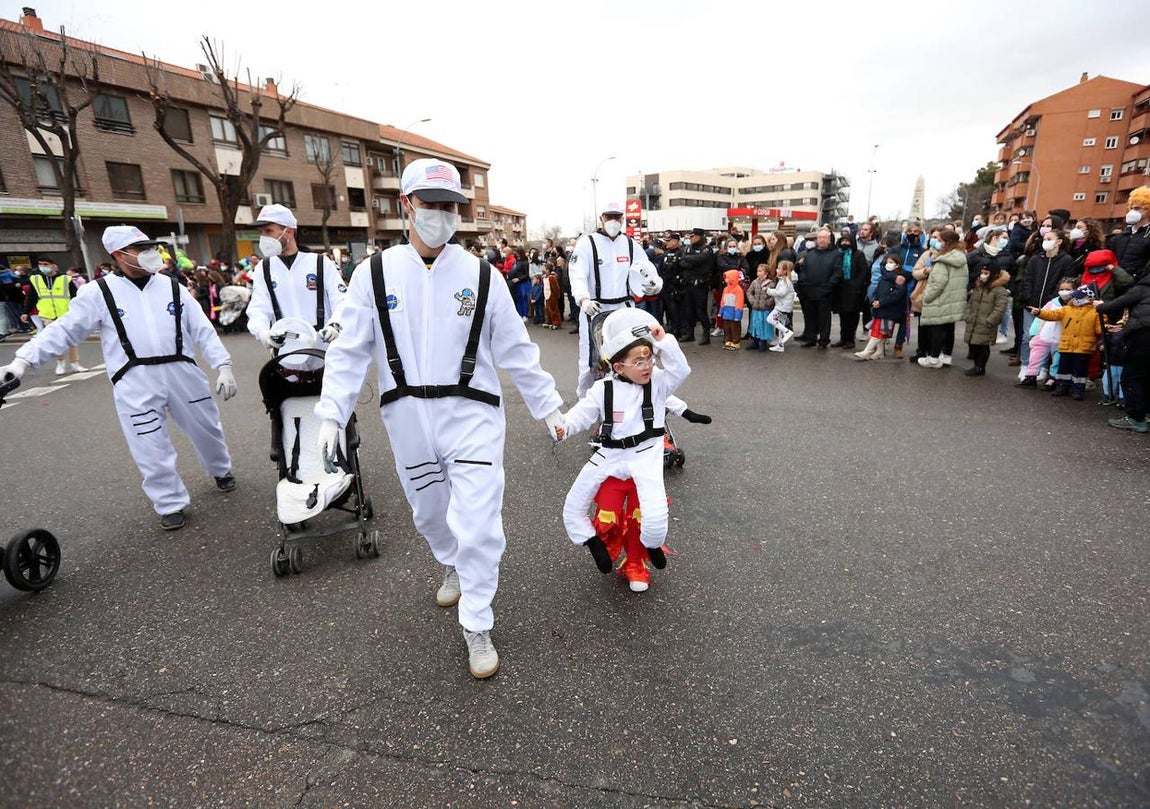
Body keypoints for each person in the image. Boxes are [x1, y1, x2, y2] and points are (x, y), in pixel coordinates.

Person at [312, 158, 565, 679]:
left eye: (451, 206)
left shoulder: (480, 275)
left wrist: (549, 407)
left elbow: (516, 349)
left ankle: (477, 620)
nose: (442, 215)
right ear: (407, 205)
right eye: (432, 204)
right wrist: (331, 414)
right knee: (430, 516)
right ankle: (449, 560)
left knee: (478, 525)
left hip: (472, 413)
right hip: (406, 415)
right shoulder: (373, 274)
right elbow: (349, 351)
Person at [0, 226, 238, 530]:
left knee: (207, 428)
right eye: (140, 248)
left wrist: (224, 364)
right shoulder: (98, 293)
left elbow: (202, 329)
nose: (150, 253)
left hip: (182, 371)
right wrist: (22, 361)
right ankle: (169, 502)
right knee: (148, 443)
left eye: (150, 246)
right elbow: (64, 330)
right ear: (118, 255)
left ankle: (221, 470)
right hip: (134, 378)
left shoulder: (173, 287)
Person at [557, 308, 689, 576]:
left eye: (650, 360)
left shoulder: (659, 383)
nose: (647, 367)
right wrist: (565, 427)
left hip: (647, 454)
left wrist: (664, 342)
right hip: (611, 454)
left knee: (653, 515)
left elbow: (680, 369)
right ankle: (595, 544)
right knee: (574, 505)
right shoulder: (602, 389)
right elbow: (581, 414)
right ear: (618, 367)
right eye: (639, 363)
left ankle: (649, 548)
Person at [568, 202, 662, 396]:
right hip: (596, 309)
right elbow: (577, 275)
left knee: (627, 354)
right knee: (591, 360)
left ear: (622, 218)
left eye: (617, 217)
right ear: (601, 218)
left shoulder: (630, 244)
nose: (613, 221)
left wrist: (655, 284)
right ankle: (586, 399)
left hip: (624, 309)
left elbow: (646, 270)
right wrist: (584, 300)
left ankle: (623, 398)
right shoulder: (587, 243)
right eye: (608, 216)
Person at [247, 204, 348, 353]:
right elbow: (258, 306)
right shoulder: (264, 267)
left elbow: (342, 300)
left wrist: (336, 324)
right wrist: (262, 332)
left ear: (288, 231)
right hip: (286, 351)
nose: (264, 237)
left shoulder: (320, 263)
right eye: (261, 232)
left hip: (323, 348)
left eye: (269, 231)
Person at [1095, 268, 1150, 432]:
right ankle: (1145, 414)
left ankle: (1136, 418)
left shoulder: (1143, 288)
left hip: (1143, 334)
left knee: (1133, 376)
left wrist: (1101, 306)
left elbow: (1116, 304)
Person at [1029, 285, 1101, 400]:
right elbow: (1052, 314)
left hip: (1083, 347)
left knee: (1080, 371)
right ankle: (1061, 386)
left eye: (1080, 297)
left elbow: (1099, 329)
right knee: (1063, 368)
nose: (1076, 299)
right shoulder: (1067, 309)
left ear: (1090, 298)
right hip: (1067, 345)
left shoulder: (1095, 312)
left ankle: (1077, 389)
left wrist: (1106, 325)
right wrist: (1040, 313)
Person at [1018, 227, 1074, 373]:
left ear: (1059, 242)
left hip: (1052, 307)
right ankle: (1026, 366)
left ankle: (1043, 368)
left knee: (1048, 339)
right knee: (1028, 336)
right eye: (1045, 239)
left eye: (1049, 239)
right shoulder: (1036, 259)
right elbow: (1028, 279)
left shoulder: (1066, 260)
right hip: (1032, 304)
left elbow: (1065, 282)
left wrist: (1052, 301)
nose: (1046, 242)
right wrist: (1028, 297)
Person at [22, 257, 87, 375]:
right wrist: (26, 312)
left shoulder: (65, 279)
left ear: (53, 266)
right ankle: (60, 363)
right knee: (56, 340)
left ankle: (75, 364)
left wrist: (80, 311)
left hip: (66, 314)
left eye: (45, 264)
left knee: (72, 340)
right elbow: (31, 297)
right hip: (48, 315)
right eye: (40, 264)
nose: (42, 266)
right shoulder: (36, 280)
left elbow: (75, 296)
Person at [916, 231, 969, 368]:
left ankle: (933, 358)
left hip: (941, 299)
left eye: (939, 240)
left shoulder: (942, 260)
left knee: (937, 329)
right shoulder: (960, 257)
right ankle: (946, 356)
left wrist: (927, 297)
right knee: (948, 327)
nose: (937, 242)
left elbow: (937, 283)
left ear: (947, 242)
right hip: (953, 298)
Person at [1016, 277, 1076, 389]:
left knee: (1057, 361)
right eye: (1062, 288)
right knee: (1035, 357)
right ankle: (1031, 377)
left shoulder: (1075, 306)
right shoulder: (1052, 303)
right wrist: (1034, 332)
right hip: (1044, 336)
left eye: (1068, 289)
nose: (1064, 291)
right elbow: (1040, 317)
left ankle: (1052, 378)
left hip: (1062, 339)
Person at [795, 229, 842, 349]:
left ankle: (823, 340)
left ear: (829, 239)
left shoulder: (835, 254)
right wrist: (805, 284)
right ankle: (811, 338)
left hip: (825, 291)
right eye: (819, 237)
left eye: (824, 237)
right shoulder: (810, 254)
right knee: (810, 316)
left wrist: (828, 286)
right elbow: (803, 270)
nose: (821, 240)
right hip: (809, 290)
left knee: (824, 318)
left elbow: (837, 273)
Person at [963, 263, 1011, 376]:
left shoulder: (1000, 291)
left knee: (983, 345)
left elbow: (1000, 308)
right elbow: (970, 303)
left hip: (986, 323)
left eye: (986, 273)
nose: (983, 275)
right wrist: (968, 315)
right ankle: (976, 365)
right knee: (974, 344)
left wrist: (990, 321)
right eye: (982, 273)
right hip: (974, 321)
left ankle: (980, 367)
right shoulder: (978, 287)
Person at [855, 257, 907, 361]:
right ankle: (879, 352)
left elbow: (896, 295)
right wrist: (873, 300)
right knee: (880, 332)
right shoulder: (883, 278)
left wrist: (881, 302)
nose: (888, 264)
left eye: (891, 262)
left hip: (889, 311)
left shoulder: (899, 279)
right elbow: (876, 291)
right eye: (887, 262)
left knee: (878, 332)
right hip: (880, 310)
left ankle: (867, 351)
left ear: (897, 265)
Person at [677, 228, 716, 345]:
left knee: (701, 311)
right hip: (688, 283)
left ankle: (706, 335)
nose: (690, 238)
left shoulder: (706, 249)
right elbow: (682, 262)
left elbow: (700, 260)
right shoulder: (688, 248)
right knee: (688, 310)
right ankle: (690, 334)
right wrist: (691, 261)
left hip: (700, 284)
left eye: (692, 236)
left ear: (699, 236)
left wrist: (688, 259)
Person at [830, 232, 867, 350]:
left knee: (852, 316)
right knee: (843, 316)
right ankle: (843, 338)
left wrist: (857, 285)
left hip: (854, 290)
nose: (845, 243)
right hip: (840, 290)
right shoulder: (837, 254)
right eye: (843, 241)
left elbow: (863, 271)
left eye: (847, 241)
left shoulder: (858, 255)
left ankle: (850, 339)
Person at [1109, 185, 1150, 282]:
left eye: (1137, 208)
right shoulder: (1121, 236)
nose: (1132, 211)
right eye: (1131, 208)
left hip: (1136, 285)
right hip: (1115, 281)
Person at [765, 260, 796, 352]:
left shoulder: (785, 281)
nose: (776, 270)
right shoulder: (783, 280)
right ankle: (780, 345)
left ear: (785, 271)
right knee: (780, 326)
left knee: (770, 319)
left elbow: (781, 293)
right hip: (782, 306)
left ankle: (787, 331)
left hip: (782, 307)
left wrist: (769, 291)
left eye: (778, 268)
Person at [745, 263, 774, 351]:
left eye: (760, 271)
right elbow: (749, 292)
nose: (758, 272)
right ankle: (755, 342)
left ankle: (763, 342)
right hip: (755, 309)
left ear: (766, 273)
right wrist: (752, 301)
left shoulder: (771, 284)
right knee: (755, 324)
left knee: (764, 325)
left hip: (765, 309)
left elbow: (773, 296)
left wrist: (767, 303)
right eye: (758, 271)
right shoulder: (755, 282)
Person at [718, 269, 745, 350]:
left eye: (727, 277)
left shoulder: (738, 290)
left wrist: (738, 315)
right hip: (727, 312)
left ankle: (736, 342)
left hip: (734, 313)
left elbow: (739, 303)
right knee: (727, 328)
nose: (725, 279)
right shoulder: (726, 289)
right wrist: (721, 311)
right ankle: (728, 340)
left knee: (735, 328)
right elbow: (723, 301)